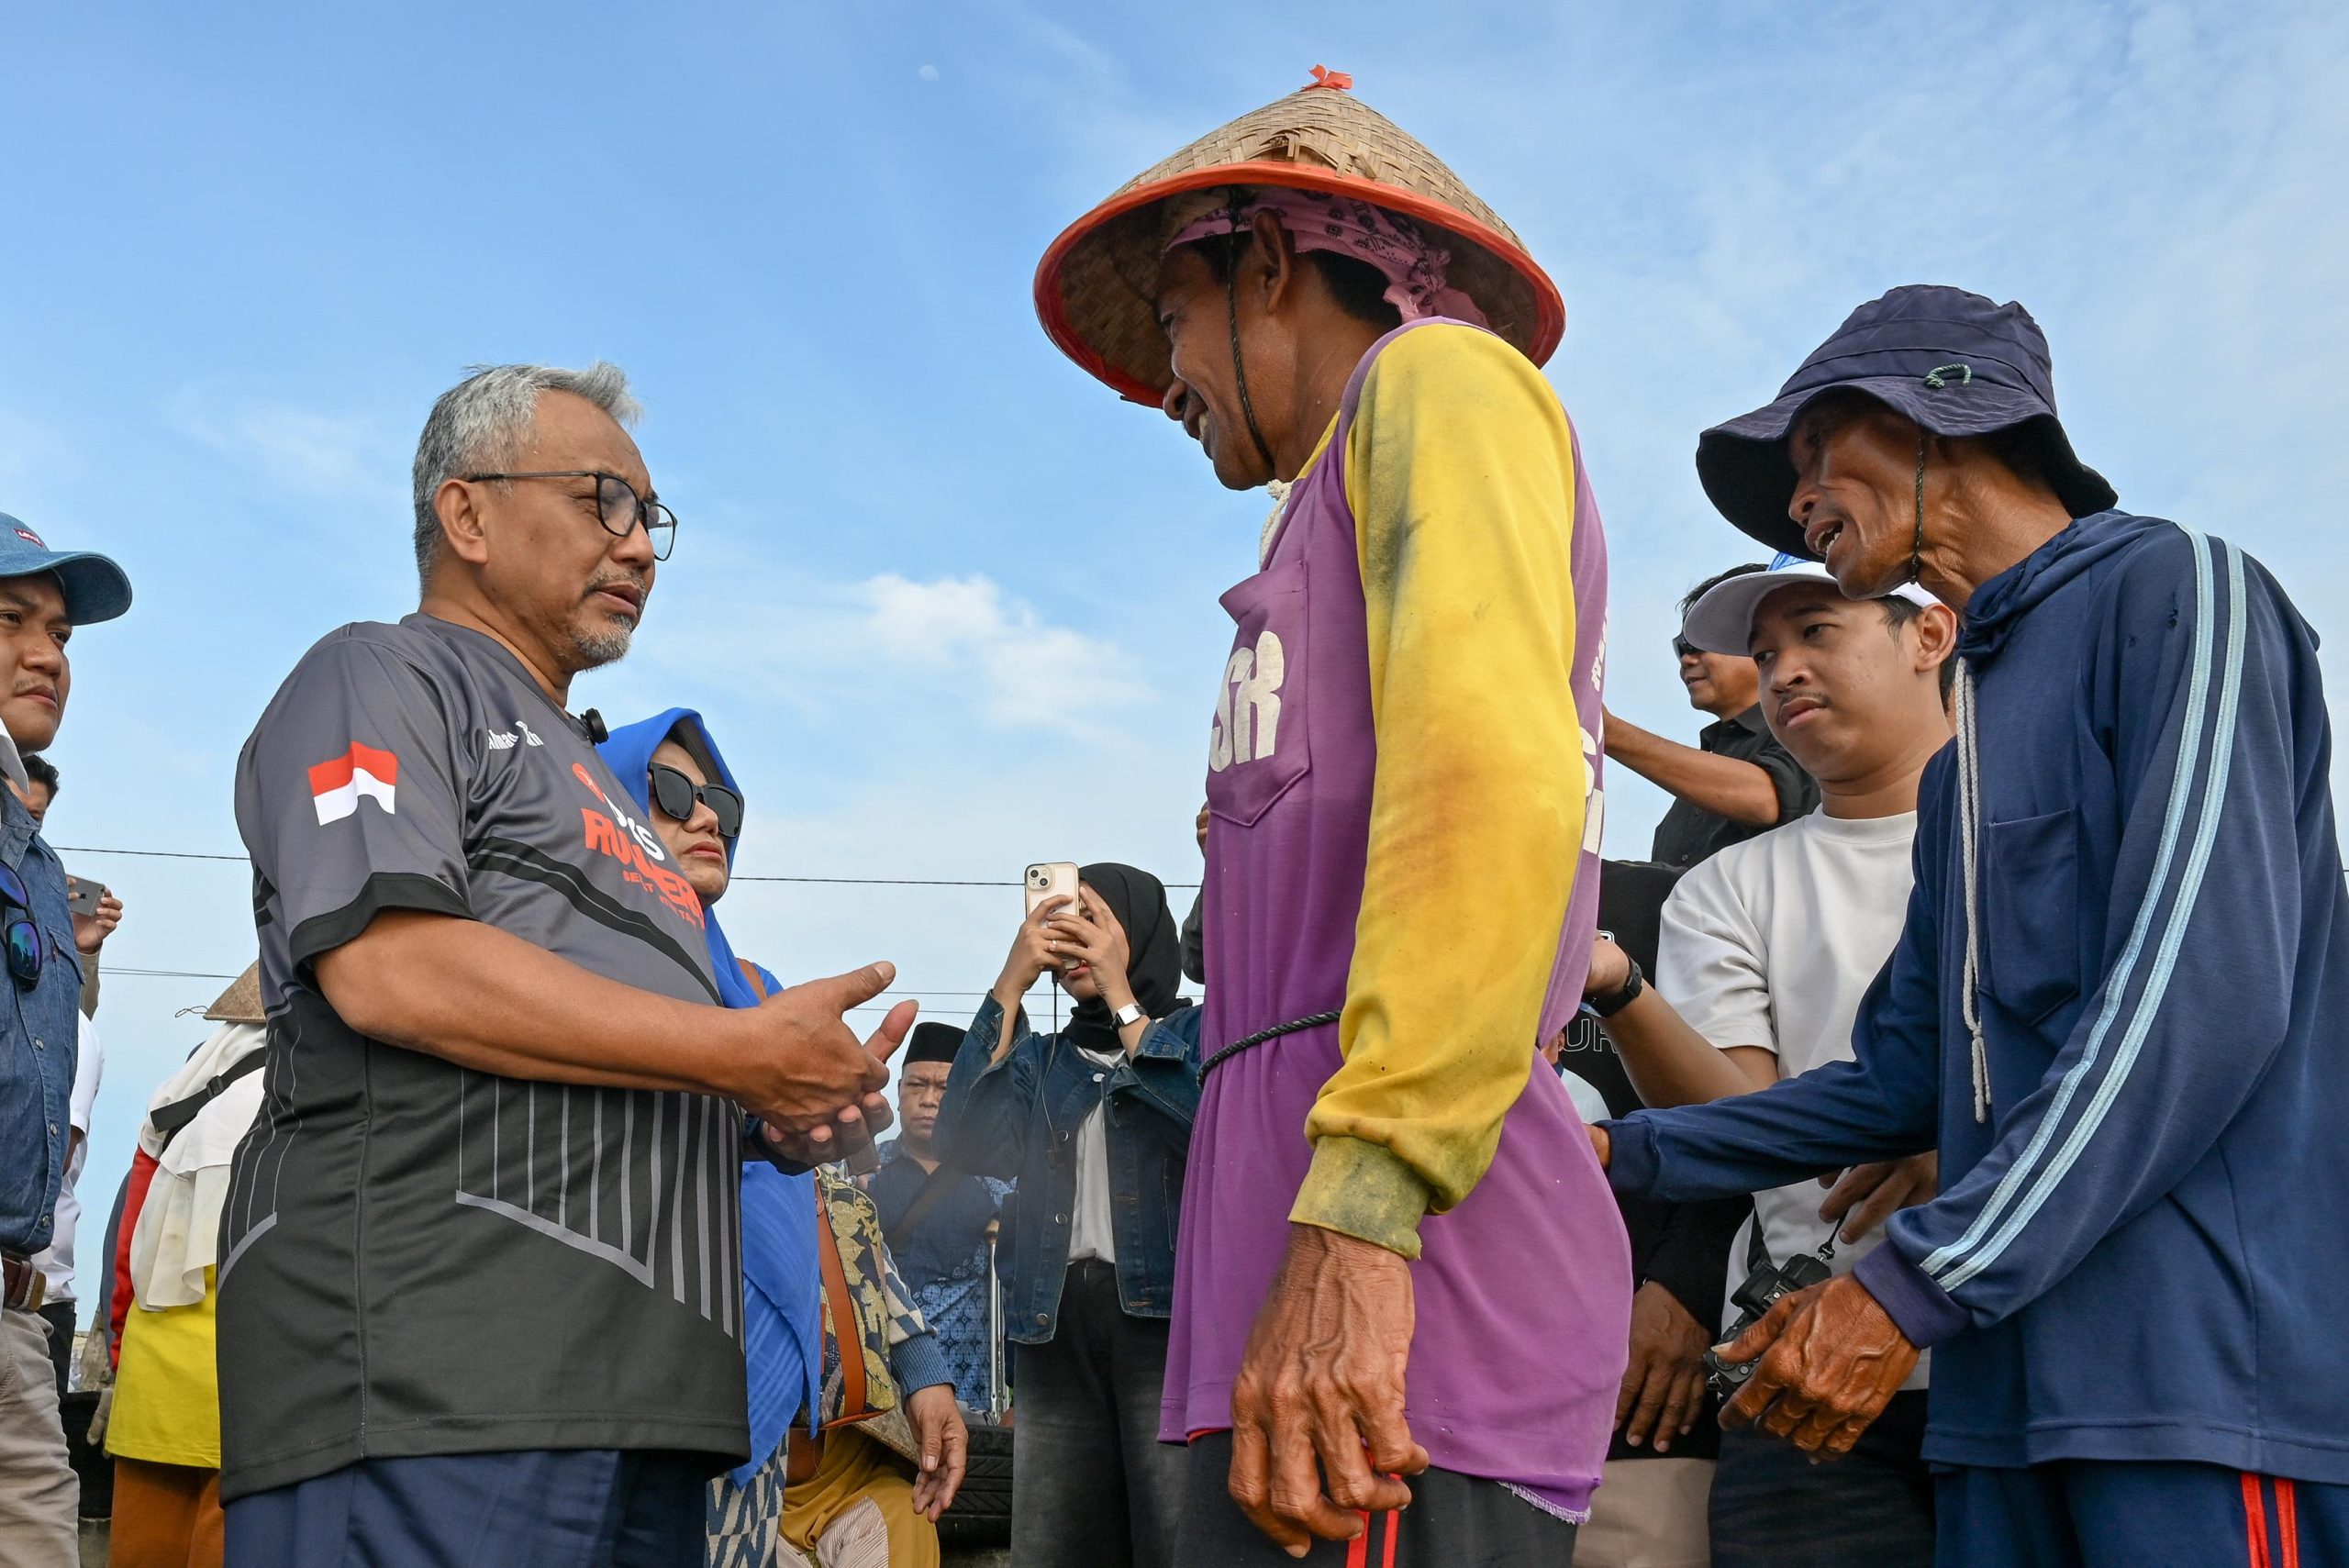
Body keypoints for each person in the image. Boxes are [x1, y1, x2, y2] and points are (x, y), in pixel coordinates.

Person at [1598, 284, 2349, 1565]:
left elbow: (2195, 995)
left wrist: (1913, 1279)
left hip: (2193, 1382)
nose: (1799, 501)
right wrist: (1616, 1157)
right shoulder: (1965, 756)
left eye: (1816, 454)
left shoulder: (2185, 590)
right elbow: (1903, 1080)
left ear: (1938, 416)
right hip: (2001, 1408)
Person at [1033, 72, 1627, 1561]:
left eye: (1171, 321)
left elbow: (1497, 780)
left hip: (1408, 1261)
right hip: (1286, 1246)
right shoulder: (1319, 509)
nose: (1164, 378)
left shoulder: (1439, 381)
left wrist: (1365, 1212)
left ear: (1273, 266)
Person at [219, 362, 909, 1568]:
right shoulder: (383, 674)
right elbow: (393, 968)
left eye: (650, 519)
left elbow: (620, 1050)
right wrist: (739, 1049)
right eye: (604, 500)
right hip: (437, 1384)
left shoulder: (611, 793)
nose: (639, 548)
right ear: (467, 513)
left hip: (648, 1409)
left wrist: (774, 1111)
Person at [1584, 557, 1954, 1566]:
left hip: (2024, 1352)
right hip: (1798, 1366)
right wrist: (1620, 990)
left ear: (1931, 637)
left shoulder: (2053, 833)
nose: (1784, 668)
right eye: (1764, 652)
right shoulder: (1726, 885)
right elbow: (1746, 1118)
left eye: (1817, 633)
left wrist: (1961, 1135)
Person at [596, 710, 964, 1568]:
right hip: (608, 1390)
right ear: (598, 809)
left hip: (751, 1418)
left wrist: (922, 1365)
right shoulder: (563, 984)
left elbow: (836, 1210)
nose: (708, 817)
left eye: (720, 797)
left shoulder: (760, 998)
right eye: (671, 792)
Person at [935, 863, 1203, 1568]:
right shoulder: (1043, 1058)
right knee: (1056, 1545)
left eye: (1095, 917)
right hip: (1052, 1328)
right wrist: (1011, 980)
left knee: (1173, 1535)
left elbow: (1203, 1127)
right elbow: (962, 1138)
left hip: (1164, 1326)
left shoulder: (1191, 1033)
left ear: (1140, 931)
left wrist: (1121, 998)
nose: (1074, 934)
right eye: (1064, 916)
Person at [0, 512, 131, 1568]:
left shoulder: (36, 861)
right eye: (10, 618)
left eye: (61, 633)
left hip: (17, 1320)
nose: (48, 653)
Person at [1561, 861, 1750, 1568]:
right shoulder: (1360, 886)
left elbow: (1746, 1114)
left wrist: (1688, 1282)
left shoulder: (1672, 898)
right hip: (1422, 1412)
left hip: (1631, 1413)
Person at [101, 965, 268, 1568]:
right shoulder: (328, 1086)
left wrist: (122, 1351)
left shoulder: (184, 1091)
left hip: (155, 1377)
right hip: (261, 1385)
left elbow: (128, 1241)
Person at [1604, 564, 1820, 871]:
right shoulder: (1682, 804)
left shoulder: (1810, 727)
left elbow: (1767, 798)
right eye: (1681, 648)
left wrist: (1607, 731)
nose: (1688, 660)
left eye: (1699, 644)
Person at [864, 1022, 1011, 1414]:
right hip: (879, 1388)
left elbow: (1020, 1292)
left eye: (944, 1088)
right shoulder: (863, 1175)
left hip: (972, 1394)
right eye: (916, 1085)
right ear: (898, 1093)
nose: (928, 1100)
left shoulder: (997, 1182)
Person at [15, 756, 128, 1018]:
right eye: (10, 808)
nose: (20, 824)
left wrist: (80, 949)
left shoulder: (48, 891)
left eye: (33, 816)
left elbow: (77, 1023)